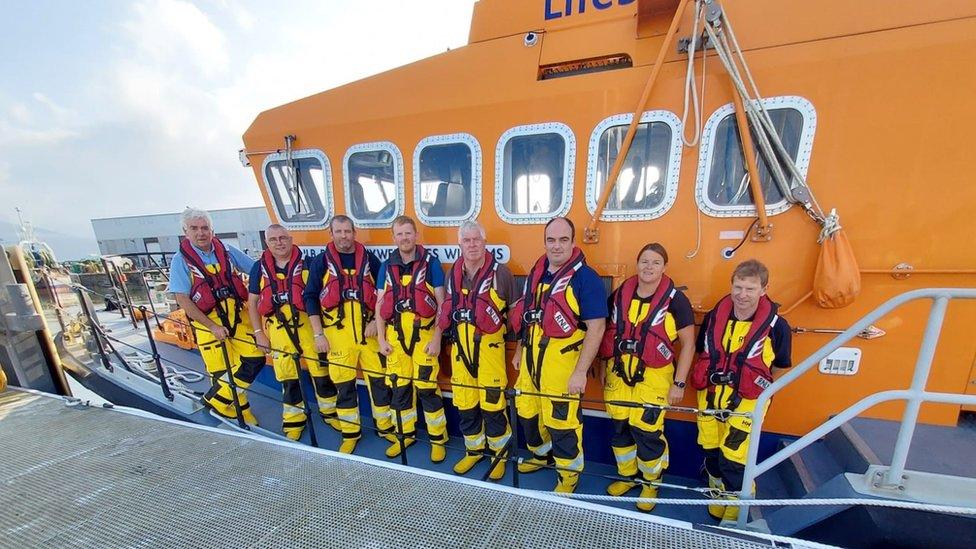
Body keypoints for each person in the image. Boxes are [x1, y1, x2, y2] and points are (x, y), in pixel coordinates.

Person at [510, 217, 607, 493]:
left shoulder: (585, 279)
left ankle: (568, 477)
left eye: (563, 240)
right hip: (530, 364)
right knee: (527, 413)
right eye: (551, 240)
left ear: (573, 242)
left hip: (562, 368)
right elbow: (529, 317)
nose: (556, 246)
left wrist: (579, 372)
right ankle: (541, 456)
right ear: (544, 242)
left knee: (562, 425)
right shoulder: (536, 273)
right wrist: (518, 350)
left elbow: (597, 328)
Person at [691, 259, 792, 522]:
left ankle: (736, 507)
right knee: (711, 451)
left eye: (750, 289)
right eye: (738, 287)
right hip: (711, 397)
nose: (742, 295)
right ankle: (717, 495)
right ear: (731, 285)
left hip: (747, 402)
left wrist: (764, 396)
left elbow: (781, 366)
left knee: (734, 459)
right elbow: (704, 353)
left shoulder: (777, 327)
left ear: (764, 289)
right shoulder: (715, 318)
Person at [599, 243, 695, 512]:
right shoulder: (621, 294)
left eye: (655, 262)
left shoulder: (676, 301)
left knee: (648, 434)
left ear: (664, 267)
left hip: (653, 379)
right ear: (637, 263)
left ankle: (651, 483)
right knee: (619, 430)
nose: (648, 267)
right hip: (618, 376)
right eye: (644, 261)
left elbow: (688, 344)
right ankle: (627, 476)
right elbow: (603, 327)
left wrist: (679, 383)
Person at [169, 207, 264, 424]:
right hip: (208, 324)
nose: (201, 233)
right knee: (223, 371)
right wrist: (212, 326)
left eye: (205, 228)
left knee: (255, 358)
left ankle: (216, 400)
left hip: (237, 319)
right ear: (186, 231)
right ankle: (240, 410)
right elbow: (182, 299)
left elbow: (255, 270)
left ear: (212, 230)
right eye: (194, 228)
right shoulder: (180, 261)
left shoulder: (227, 251)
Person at [438, 220, 516, 480]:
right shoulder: (453, 273)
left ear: (484, 242)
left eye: (476, 239)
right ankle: (473, 451)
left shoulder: (501, 274)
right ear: (460, 244)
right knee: (466, 405)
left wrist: (520, 350)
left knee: (494, 407)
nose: (472, 244)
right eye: (467, 240)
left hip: (490, 351)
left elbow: (516, 314)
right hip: (460, 350)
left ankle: (499, 455)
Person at [303, 215, 388, 454]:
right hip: (336, 335)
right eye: (338, 231)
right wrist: (318, 334)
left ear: (354, 232)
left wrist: (374, 320)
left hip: (368, 334)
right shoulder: (321, 262)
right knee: (344, 387)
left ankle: (385, 427)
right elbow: (310, 297)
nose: (343, 236)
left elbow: (384, 294)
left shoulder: (370, 259)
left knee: (379, 383)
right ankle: (351, 433)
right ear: (331, 234)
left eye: (347, 231)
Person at [245, 224, 333, 441]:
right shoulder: (259, 268)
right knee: (288, 376)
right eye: (273, 239)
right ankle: (294, 420)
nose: (279, 242)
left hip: (307, 326)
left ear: (291, 239)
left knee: (321, 372)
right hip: (278, 329)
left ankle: (330, 413)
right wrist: (259, 333)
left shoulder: (310, 264)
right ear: (267, 243)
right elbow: (253, 302)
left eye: (283, 238)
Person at [375, 216, 449, 461]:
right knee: (399, 390)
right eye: (400, 234)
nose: (404, 238)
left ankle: (438, 440)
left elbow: (441, 305)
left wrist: (437, 338)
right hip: (395, 339)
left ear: (416, 235)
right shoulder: (386, 267)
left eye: (408, 233)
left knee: (427, 390)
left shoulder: (432, 264)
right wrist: (381, 340)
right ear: (393, 237)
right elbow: (379, 305)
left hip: (424, 337)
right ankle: (403, 436)